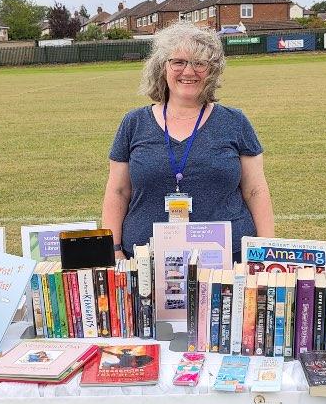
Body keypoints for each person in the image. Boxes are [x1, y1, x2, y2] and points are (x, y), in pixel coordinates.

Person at [103, 22, 275, 261]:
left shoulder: (235, 121)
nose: (189, 71)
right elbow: (118, 191)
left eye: (199, 63)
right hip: (144, 260)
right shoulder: (133, 123)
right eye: (178, 62)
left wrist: (264, 252)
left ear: (212, 70)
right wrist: (113, 249)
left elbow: (256, 190)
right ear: (162, 67)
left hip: (228, 260)